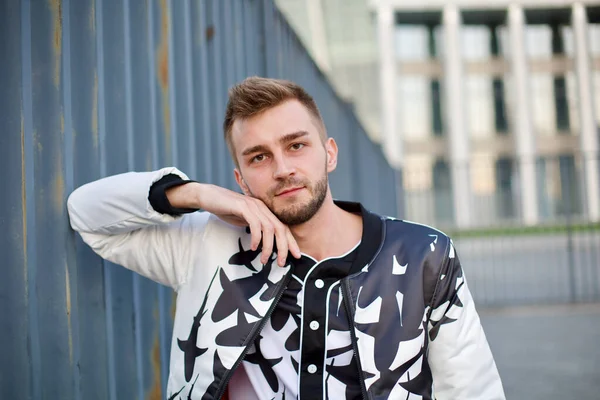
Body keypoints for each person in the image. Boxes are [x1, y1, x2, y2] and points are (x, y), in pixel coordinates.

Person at [67, 77, 505, 400]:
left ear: (328, 153)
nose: (282, 169)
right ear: (240, 179)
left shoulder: (424, 256)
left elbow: (473, 391)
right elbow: (86, 214)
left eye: (296, 146)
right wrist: (199, 194)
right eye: (259, 157)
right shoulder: (206, 245)